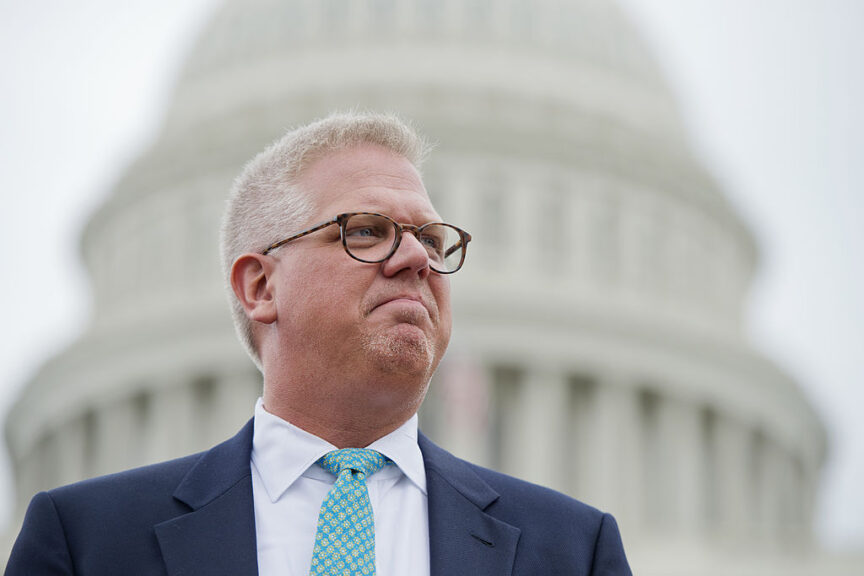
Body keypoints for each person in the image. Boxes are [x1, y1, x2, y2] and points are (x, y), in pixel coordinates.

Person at [6, 112, 631, 575]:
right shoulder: (90, 543)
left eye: (435, 242)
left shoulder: (573, 552)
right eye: (366, 231)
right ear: (259, 286)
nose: (417, 258)